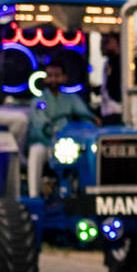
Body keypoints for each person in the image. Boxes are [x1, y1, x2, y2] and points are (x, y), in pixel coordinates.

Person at [25, 58, 98, 197]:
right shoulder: (39, 101)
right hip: (48, 145)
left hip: (70, 146)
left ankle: (88, 193)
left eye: (57, 75)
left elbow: (86, 117)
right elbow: (40, 126)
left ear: (64, 78)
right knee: (36, 151)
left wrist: (93, 121)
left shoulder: (72, 99)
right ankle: (33, 195)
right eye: (50, 76)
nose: (53, 79)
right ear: (45, 78)